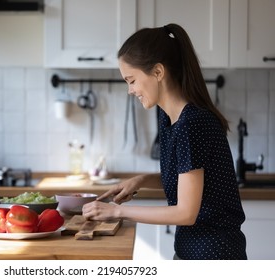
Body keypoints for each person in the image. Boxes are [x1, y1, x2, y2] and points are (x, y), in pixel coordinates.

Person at [82, 23, 247, 260]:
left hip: (215, 255)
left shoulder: (193, 123)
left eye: (132, 80)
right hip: (189, 252)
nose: (130, 90)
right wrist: (140, 181)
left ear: (158, 72)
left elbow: (186, 213)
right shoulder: (169, 117)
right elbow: (188, 179)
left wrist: (118, 211)